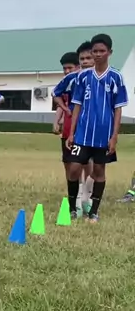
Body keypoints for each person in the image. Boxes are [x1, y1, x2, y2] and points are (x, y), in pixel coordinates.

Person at [66, 33, 128, 223]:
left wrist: (114, 136)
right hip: (83, 133)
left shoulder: (116, 77)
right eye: (95, 51)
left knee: (99, 171)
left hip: (103, 134)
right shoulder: (83, 76)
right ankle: (72, 208)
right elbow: (77, 105)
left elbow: (118, 109)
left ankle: (93, 212)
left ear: (110, 52)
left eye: (102, 51)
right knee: (74, 168)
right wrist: (71, 133)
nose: (98, 54)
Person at [52, 45, 94, 216]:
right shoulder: (69, 81)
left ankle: (86, 196)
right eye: (64, 68)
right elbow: (60, 100)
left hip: (89, 128)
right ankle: (74, 199)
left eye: (70, 67)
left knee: (88, 163)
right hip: (70, 128)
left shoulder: (95, 78)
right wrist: (58, 119)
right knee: (70, 164)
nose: (67, 71)